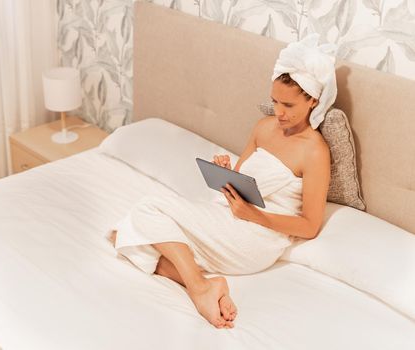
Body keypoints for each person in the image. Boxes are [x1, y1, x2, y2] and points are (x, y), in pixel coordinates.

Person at [108, 34, 337, 329]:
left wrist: (253, 215)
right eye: (274, 101)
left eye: (289, 105)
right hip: (228, 216)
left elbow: (310, 226)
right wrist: (227, 172)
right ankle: (202, 283)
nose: (278, 112)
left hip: (259, 237)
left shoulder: (315, 151)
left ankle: (200, 289)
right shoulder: (264, 127)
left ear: (313, 100)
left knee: (146, 211)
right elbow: (242, 181)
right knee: (121, 236)